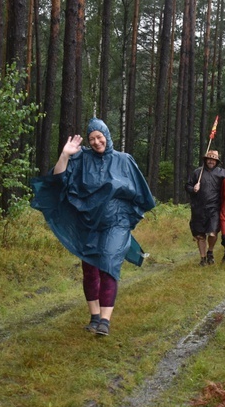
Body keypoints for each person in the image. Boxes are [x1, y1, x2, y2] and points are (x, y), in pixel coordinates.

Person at [30, 118, 156, 336]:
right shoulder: (82, 159)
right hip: (87, 222)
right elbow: (59, 179)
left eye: (100, 137)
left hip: (116, 222)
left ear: (107, 136)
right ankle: (94, 316)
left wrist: (130, 215)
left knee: (108, 264)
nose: (97, 142)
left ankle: (105, 322)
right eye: (92, 139)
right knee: (90, 269)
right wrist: (65, 155)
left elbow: (141, 193)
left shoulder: (124, 161)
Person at [185, 150, 225, 266]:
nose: (211, 161)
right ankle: (203, 258)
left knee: (213, 233)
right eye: (209, 159)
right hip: (198, 209)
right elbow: (187, 186)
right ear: (205, 160)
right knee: (200, 235)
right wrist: (193, 188)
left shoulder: (222, 173)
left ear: (216, 161)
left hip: (214, 209)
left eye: (213, 160)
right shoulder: (197, 172)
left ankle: (210, 252)